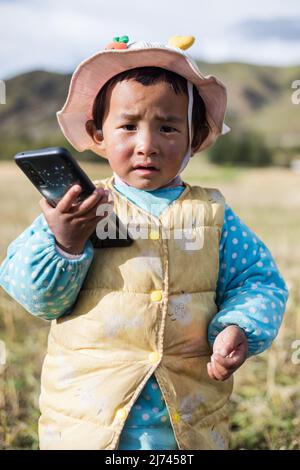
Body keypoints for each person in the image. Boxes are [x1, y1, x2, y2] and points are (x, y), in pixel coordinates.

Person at [0, 35, 288, 450]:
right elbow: (40, 300)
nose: (147, 145)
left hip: (186, 420)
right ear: (97, 134)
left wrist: (239, 324)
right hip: (88, 419)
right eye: (128, 126)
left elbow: (258, 280)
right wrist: (64, 242)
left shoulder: (213, 215)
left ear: (195, 136)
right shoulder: (79, 208)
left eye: (168, 128)